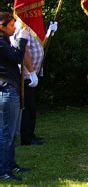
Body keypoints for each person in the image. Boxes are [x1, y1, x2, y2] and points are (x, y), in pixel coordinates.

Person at [10, 20, 57, 146]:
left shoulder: (33, 30)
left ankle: (31, 134)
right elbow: (23, 51)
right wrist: (30, 72)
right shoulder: (21, 29)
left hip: (34, 73)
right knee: (27, 107)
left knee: (31, 106)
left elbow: (41, 45)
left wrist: (48, 34)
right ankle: (26, 138)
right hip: (25, 75)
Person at [0, 12, 29, 181]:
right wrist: (23, 38)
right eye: (10, 25)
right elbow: (17, 57)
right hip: (6, 90)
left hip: (9, 88)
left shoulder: (4, 41)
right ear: (1, 27)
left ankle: (10, 164)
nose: (13, 28)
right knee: (6, 133)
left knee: (10, 133)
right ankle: (4, 170)